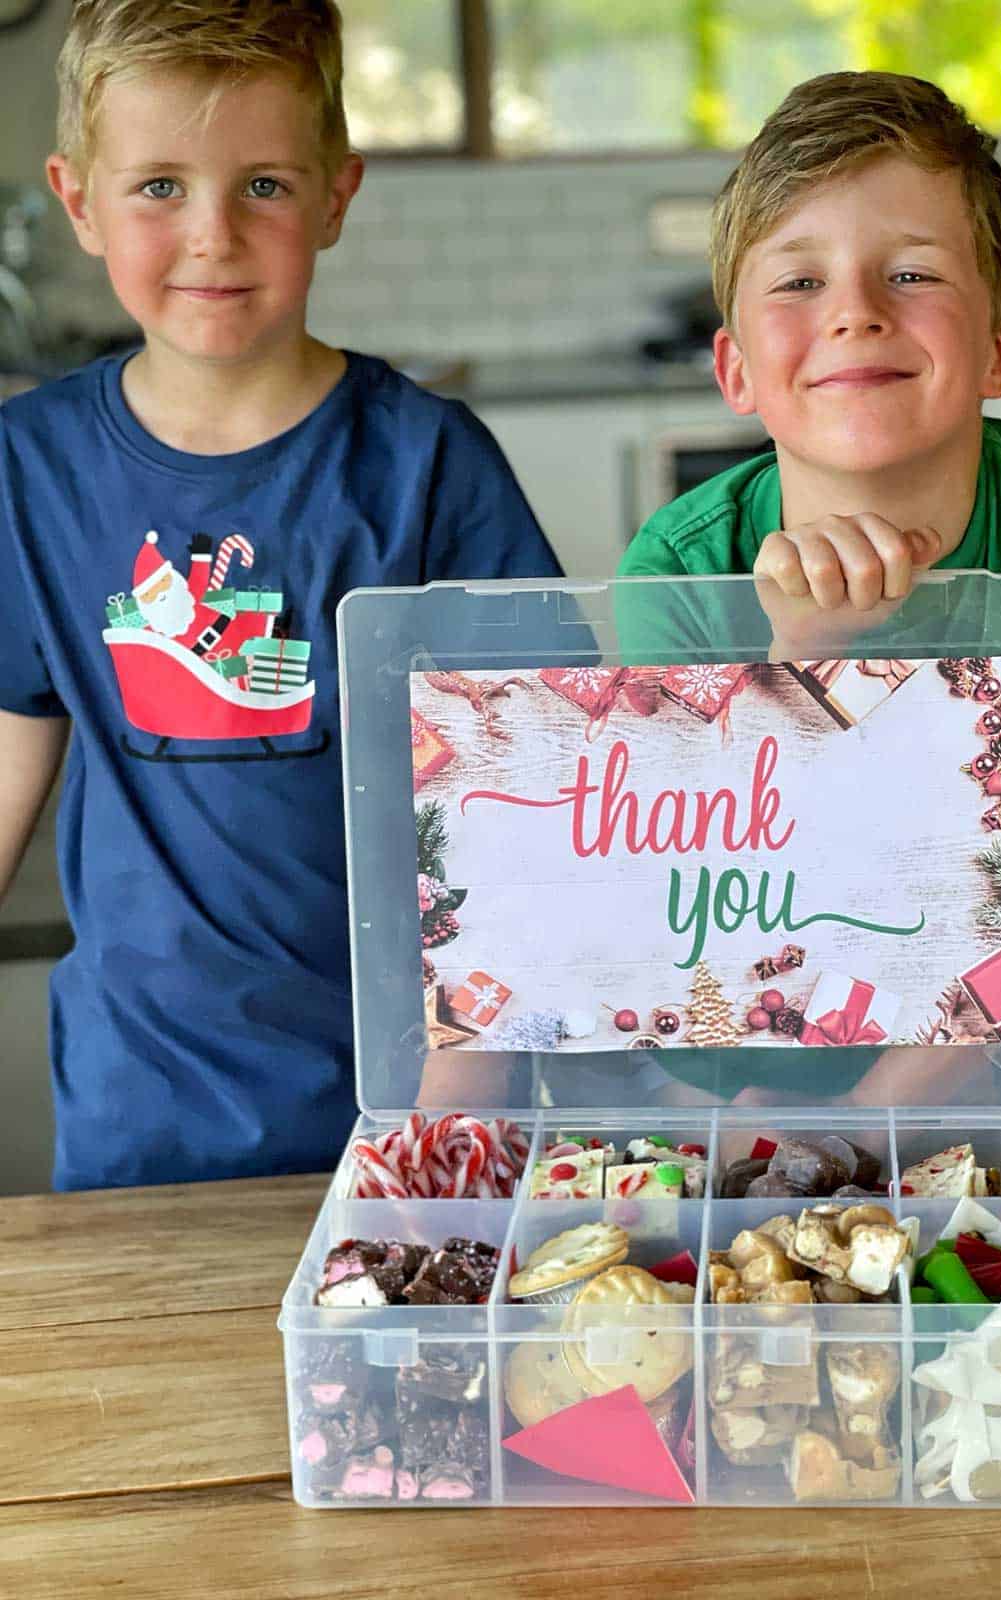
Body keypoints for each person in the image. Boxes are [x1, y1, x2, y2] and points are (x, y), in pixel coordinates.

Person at [0, 0, 563, 1190]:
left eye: (261, 184)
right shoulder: (28, 469)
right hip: (132, 1112)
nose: (211, 235)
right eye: (158, 186)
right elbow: (7, 760)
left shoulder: (430, 466)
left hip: (406, 1110)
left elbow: (525, 808)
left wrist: (451, 1115)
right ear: (78, 200)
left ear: (336, 196)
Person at [617, 70, 1001, 1107]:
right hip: (715, 1075)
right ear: (735, 368)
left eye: (914, 275)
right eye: (799, 283)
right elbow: (689, 904)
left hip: (968, 1063)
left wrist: (872, 1120)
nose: (854, 313)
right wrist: (798, 679)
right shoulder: (676, 567)